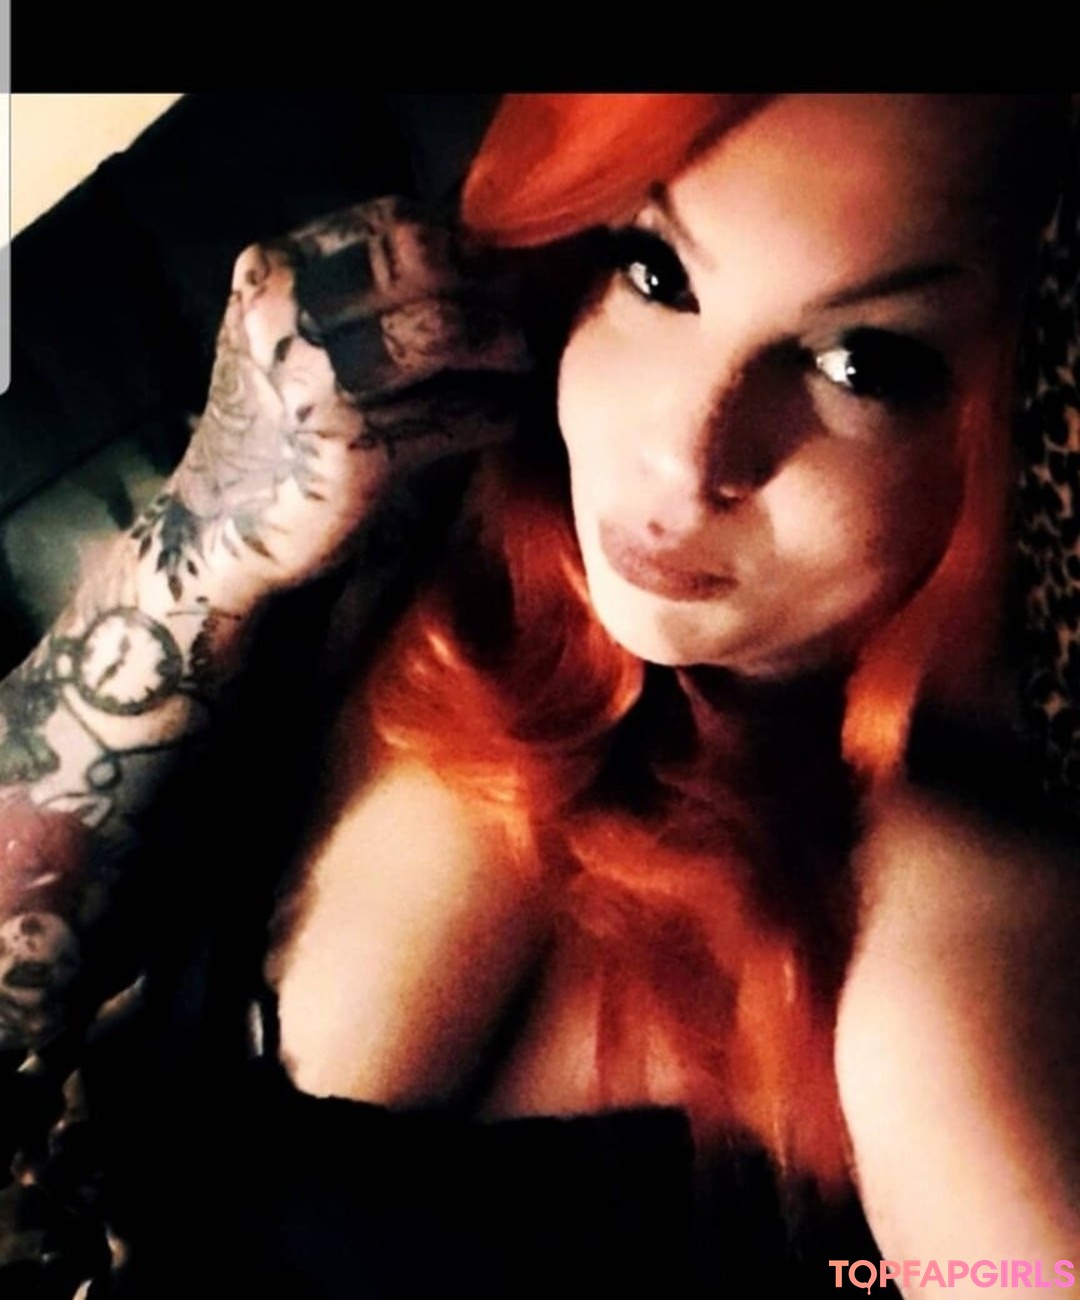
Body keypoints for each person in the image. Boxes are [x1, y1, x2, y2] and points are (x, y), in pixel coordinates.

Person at [0, 93, 1078, 1297]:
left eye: (862, 364)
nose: (685, 454)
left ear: (1028, 417)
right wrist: (209, 543)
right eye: (658, 272)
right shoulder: (404, 534)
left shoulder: (945, 930)